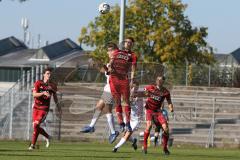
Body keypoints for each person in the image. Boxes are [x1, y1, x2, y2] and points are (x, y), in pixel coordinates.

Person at [81, 63, 119, 144]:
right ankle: (91, 126)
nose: (109, 53)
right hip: (107, 90)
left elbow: (110, 72)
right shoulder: (110, 63)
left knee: (107, 110)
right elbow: (105, 71)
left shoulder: (116, 64)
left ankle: (113, 132)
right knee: (99, 106)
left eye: (110, 52)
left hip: (111, 90)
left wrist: (104, 66)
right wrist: (97, 66)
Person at [107, 40, 137, 132]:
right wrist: (110, 67)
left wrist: (132, 80)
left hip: (124, 79)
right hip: (114, 79)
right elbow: (111, 61)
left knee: (126, 102)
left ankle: (127, 123)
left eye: (130, 42)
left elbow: (133, 69)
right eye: (126, 42)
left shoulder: (132, 55)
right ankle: (121, 123)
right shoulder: (117, 52)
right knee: (117, 101)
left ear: (132, 45)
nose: (128, 43)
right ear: (123, 44)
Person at [29, 68, 61, 150]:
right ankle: (48, 137)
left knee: (36, 124)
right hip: (36, 107)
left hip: (44, 108)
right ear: (44, 74)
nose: (49, 75)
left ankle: (32, 146)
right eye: (47, 73)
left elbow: (55, 98)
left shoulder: (53, 85)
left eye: (50, 74)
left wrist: (58, 107)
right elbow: (34, 94)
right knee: (35, 126)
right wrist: (43, 93)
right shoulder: (38, 83)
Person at [142, 76, 174, 155]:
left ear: (163, 81)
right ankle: (145, 146)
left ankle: (165, 148)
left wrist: (171, 108)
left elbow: (169, 101)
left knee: (166, 128)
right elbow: (144, 91)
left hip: (158, 111)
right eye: (157, 80)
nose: (158, 81)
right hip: (149, 110)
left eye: (160, 80)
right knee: (149, 126)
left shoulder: (165, 91)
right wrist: (144, 93)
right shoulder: (150, 87)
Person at [112, 81, 143, 152]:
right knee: (126, 135)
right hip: (129, 117)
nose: (135, 89)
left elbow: (141, 95)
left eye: (136, 88)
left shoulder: (140, 94)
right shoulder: (127, 95)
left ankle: (116, 147)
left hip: (136, 119)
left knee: (127, 134)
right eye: (133, 88)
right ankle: (134, 141)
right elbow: (124, 104)